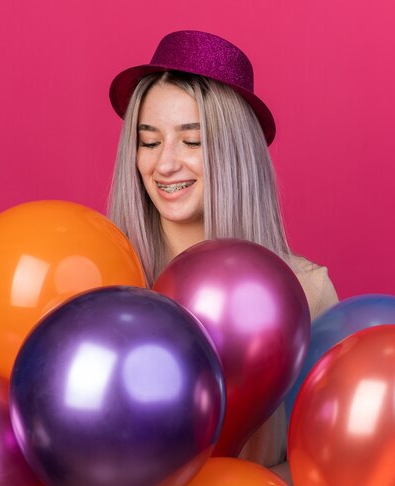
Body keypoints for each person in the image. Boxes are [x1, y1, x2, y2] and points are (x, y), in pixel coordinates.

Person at [107, 30, 339, 482]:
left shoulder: (305, 291)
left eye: (192, 142)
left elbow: (333, 459)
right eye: (149, 142)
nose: (166, 164)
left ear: (235, 155)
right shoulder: (105, 280)